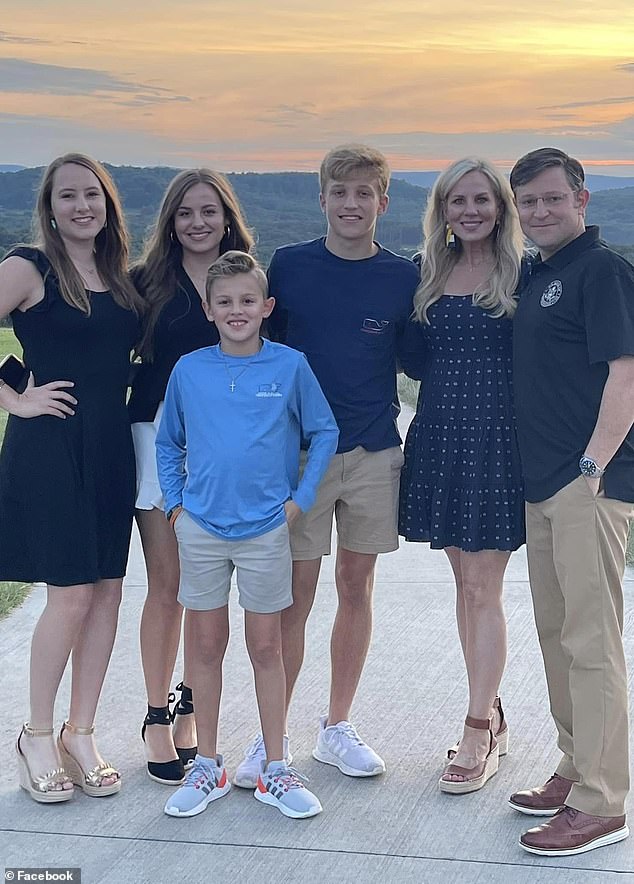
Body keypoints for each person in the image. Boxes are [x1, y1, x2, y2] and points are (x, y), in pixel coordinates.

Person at [231, 144, 419, 788]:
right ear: (322, 198)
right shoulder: (290, 267)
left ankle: (337, 726)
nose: (351, 204)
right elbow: (257, 348)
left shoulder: (401, 276)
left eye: (365, 193)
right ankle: (271, 734)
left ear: (383, 202)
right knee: (295, 598)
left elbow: (417, 357)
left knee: (355, 587)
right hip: (302, 455)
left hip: (372, 449)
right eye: (340, 192)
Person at [156, 250, 338, 819]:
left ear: (267, 306)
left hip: (265, 529)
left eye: (247, 301)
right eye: (225, 302)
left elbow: (324, 431)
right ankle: (207, 765)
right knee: (205, 648)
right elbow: (168, 442)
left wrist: (299, 502)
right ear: (209, 310)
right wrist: (176, 507)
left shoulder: (289, 366)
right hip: (202, 528)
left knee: (267, 647)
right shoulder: (190, 369)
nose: (237, 310)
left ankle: (275, 771)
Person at [0, 153, 144, 802]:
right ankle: (35, 732)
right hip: (53, 443)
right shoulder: (28, 267)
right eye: (68, 196)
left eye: (93, 194)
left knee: (109, 591)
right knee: (71, 595)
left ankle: (79, 732)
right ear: (50, 209)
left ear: (108, 203)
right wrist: (15, 394)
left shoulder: (120, 277)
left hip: (112, 445)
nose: (82, 205)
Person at [509, 147, 634, 856]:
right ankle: (574, 765)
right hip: (544, 485)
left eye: (552, 198)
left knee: (592, 643)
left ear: (581, 199)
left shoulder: (602, 271)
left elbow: (626, 375)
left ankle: (602, 801)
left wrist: (593, 466)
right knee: (559, 635)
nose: (540, 212)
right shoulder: (537, 274)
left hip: (589, 486)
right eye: (528, 202)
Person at [398, 157, 525, 794]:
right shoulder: (427, 272)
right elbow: (410, 358)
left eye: (481, 199)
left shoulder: (523, 273)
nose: (469, 211)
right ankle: (493, 709)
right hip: (442, 437)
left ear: (500, 207)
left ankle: (480, 726)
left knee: (482, 587)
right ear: (441, 210)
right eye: (456, 201)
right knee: (464, 583)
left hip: (498, 443)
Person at [128, 169, 253, 785]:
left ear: (227, 216)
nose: (197, 223)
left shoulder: (248, 280)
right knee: (168, 583)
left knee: (212, 586)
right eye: (185, 213)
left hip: (229, 453)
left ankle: (192, 707)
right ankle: (155, 716)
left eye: (209, 211)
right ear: (170, 221)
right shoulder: (144, 285)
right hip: (160, 442)